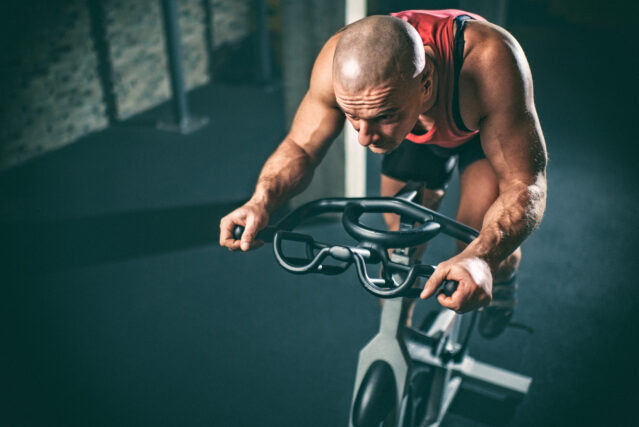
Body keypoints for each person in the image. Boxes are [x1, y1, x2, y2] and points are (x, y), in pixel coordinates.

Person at [219, 9, 547, 338]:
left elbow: (525, 183)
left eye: (380, 116)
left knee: (472, 237)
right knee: (400, 243)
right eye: (353, 117)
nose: (364, 138)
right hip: (411, 127)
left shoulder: (490, 61)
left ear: (427, 83)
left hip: (482, 130)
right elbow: (301, 148)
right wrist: (261, 201)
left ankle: (505, 283)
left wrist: (482, 258)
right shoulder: (339, 63)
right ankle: (398, 341)